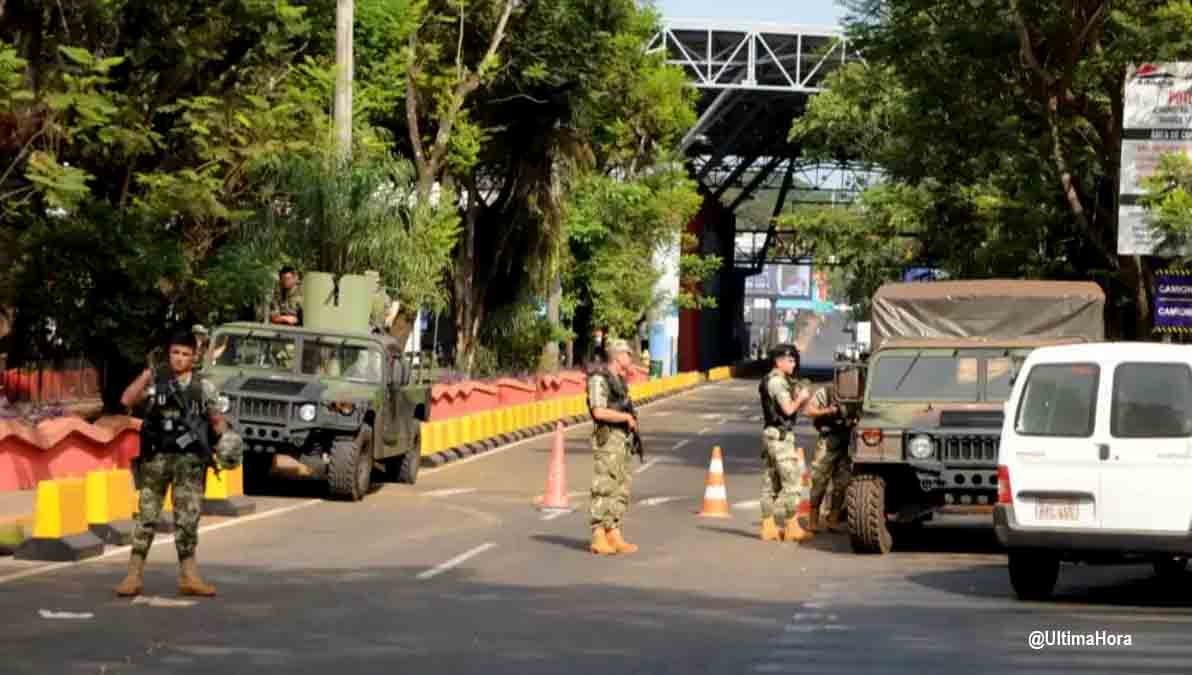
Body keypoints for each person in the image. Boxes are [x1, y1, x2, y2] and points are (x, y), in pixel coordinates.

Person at [114, 330, 245, 598]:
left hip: (190, 463)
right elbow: (127, 400)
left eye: (186, 354)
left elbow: (216, 420)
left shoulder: (203, 387)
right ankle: (133, 575)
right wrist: (146, 375)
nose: (180, 358)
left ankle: (189, 576)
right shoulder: (155, 382)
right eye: (176, 352)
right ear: (169, 353)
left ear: (194, 357)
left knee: (188, 519)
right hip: (157, 460)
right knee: (147, 517)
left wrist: (227, 440)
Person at [586, 338, 639, 556]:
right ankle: (598, 533)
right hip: (608, 439)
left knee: (621, 485)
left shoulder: (619, 380)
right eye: (627, 353)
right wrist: (625, 417)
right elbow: (598, 411)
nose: (630, 357)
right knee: (605, 484)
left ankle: (613, 531)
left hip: (622, 440)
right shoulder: (600, 379)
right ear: (617, 356)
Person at [757, 343, 813, 543]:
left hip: (772, 436)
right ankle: (791, 526)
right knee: (793, 482)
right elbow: (788, 410)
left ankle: (768, 526)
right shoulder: (777, 382)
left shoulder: (774, 380)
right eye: (790, 360)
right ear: (778, 361)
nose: (793, 363)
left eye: (794, 360)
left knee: (771, 482)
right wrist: (801, 398)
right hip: (780, 438)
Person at [804, 382, 853, 533]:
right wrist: (828, 411)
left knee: (842, 483)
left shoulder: (861, 392)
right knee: (819, 480)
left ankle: (833, 519)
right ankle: (813, 520)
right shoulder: (827, 392)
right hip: (828, 441)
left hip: (846, 442)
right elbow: (809, 410)